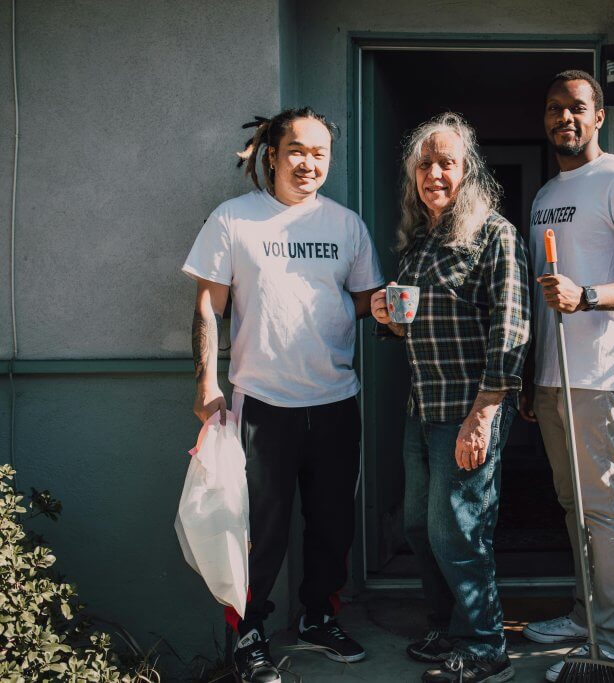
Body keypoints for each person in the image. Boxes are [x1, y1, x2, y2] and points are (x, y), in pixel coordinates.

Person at [183, 107, 383, 683]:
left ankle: (319, 618)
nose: (309, 163)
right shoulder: (233, 220)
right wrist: (205, 380)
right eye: (298, 151)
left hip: (336, 401)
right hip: (261, 406)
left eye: (320, 153)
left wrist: (388, 308)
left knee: (332, 525)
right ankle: (247, 635)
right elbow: (207, 304)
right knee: (258, 531)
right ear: (272, 153)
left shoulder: (346, 226)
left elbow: (366, 298)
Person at [519, 70, 614, 682]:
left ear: (599, 116)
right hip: (554, 375)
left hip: (603, 376)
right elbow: (536, 299)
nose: (565, 118)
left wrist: (588, 296)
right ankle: (585, 613)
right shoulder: (544, 194)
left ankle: (613, 642)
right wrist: (534, 376)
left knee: (601, 507)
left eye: (578, 108)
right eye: (555, 108)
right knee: (571, 502)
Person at [370, 112, 530, 683]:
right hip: (423, 408)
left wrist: (482, 415)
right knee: (420, 525)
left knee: (460, 529)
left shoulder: (494, 233)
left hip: (469, 409)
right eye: (425, 164)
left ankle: (485, 644)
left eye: (447, 163)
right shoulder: (420, 240)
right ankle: (445, 627)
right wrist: (386, 318)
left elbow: (510, 330)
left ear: (468, 171)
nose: (434, 173)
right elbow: (414, 326)